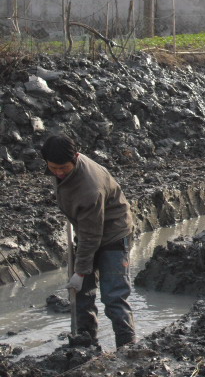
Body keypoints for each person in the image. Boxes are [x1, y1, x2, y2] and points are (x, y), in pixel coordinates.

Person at [41, 134, 135, 349]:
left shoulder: (90, 187)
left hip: (113, 233)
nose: (58, 173)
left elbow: (92, 235)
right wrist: (82, 274)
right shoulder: (63, 167)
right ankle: (86, 344)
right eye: (53, 168)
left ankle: (127, 348)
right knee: (82, 294)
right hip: (87, 228)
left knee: (114, 297)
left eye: (63, 168)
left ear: (76, 157)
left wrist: (81, 271)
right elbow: (87, 231)